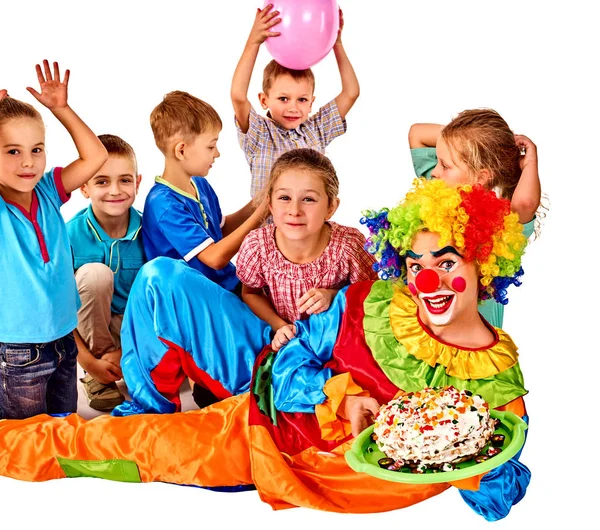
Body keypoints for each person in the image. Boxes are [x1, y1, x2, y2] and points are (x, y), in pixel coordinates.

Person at [0, 178, 531, 522]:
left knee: (131, 448)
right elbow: (292, 354)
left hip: (300, 465)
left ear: (484, 264)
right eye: (416, 265)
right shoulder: (375, 300)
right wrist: (336, 394)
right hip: (254, 417)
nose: (427, 280)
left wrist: (473, 464)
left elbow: (495, 498)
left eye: (447, 262)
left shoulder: (496, 379)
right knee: (123, 443)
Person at [139, 90, 268, 408]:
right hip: (196, 303)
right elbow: (213, 256)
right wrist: (259, 215)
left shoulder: (201, 185)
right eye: (211, 145)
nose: (218, 153)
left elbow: (219, 231)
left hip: (226, 285)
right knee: (252, 353)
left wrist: (260, 201)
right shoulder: (164, 203)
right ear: (181, 150)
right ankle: (213, 384)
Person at [0, 61, 107, 419]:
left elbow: (96, 156)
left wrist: (61, 109)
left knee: (65, 429)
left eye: (36, 149)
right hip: (16, 352)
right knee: (27, 445)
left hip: (63, 340)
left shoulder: (47, 189)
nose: (28, 162)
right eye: (12, 151)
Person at [408, 108, 542, 327]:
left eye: (445, 165)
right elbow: (417, 134)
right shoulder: (438, 190)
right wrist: (469, 143)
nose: (434, 171)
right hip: (430, 328)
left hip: (477, 337)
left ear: (480, 177)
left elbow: (526, 204)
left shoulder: (500, 225)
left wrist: (530, 162)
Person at [237, 148, 377, 352]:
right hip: (283, 343)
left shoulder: (349, 246)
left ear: (331, 207)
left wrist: (333, 295)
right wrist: (279, 326)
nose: (294, 211)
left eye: (308, 199)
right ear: (270, 203)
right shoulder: (257, 246)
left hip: (339, 344)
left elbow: (371, 295)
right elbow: (250, 293)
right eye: (284, 198)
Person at [231, 4, 359, 198]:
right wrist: (254, 42)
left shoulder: (316, 130)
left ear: (311, 103)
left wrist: (337, 44)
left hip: (309, 226)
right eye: (283, 98)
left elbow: (351, 92)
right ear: (264, 100)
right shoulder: (260, 134)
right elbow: (238, 96)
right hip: (268, 227)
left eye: (302, 99)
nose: (293, 107)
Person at [66, 134, 145, 412]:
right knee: (94, 275)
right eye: (102, 181)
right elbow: (59, 306)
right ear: (84, 188)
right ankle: (99, 375)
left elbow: (158, 302)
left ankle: (132, 362)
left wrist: (128, 350)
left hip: (136, 330)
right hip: (88, 329)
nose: (115, 190)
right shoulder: (69, 234)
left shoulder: (150, 231)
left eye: (125, 180)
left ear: (137, 182)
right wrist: (88, 362)